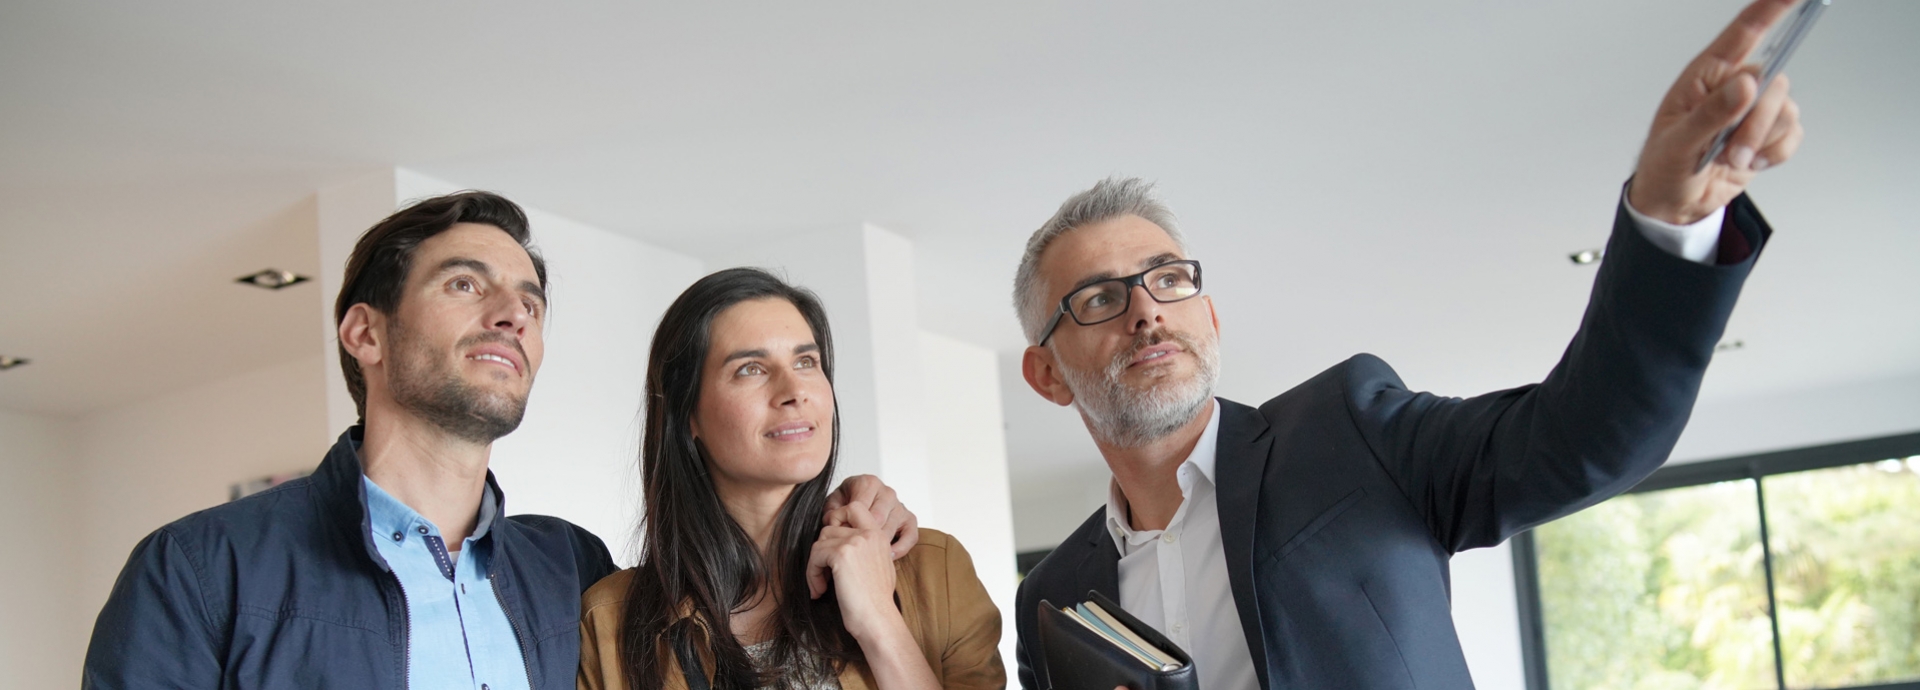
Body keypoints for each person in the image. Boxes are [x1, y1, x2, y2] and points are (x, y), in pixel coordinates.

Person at [1010, 0, 1806, 687]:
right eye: (1100, 298)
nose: (1147, 311)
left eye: (1170, 280)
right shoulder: (1051, 596)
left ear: (1209, 320)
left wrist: (1667, 224)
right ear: (1046, 375)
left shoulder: (1352, 432)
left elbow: (1587, 438)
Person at [82, 192, 920, 689]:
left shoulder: (577, 572)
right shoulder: (199, 571)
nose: (512, 311)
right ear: (365, 335)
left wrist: (851, 504)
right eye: (464, 283)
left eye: (530, 297)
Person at [578, 268, 1004, 690]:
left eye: (806, 361)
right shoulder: (609, 624)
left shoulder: (934, 572)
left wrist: (879, 622)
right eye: (750, 369)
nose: (794, 390)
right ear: (688, 414)